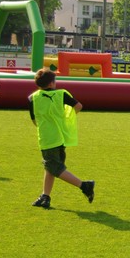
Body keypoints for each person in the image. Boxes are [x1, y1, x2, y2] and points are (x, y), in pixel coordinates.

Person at [28, 68, 95, 209]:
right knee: (50, 167)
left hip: (47, 138)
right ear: (51, 83)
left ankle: (84, 185)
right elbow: (78, 106)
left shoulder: (33, 98)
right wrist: (66, 118)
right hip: (61, 137)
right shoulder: (61, 94)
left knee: (54, 167)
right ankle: (45, 196)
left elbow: (34, 120)